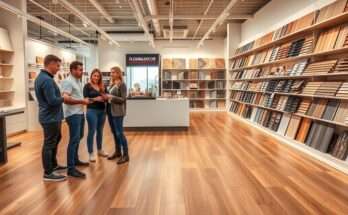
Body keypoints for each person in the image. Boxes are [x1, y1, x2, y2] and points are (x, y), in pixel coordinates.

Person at [34, 54, 66, 182]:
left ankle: (53, 165)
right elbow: (52, 101)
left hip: (51, 117)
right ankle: (48, 172)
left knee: (56, 139)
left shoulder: (42, 78)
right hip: (50, 117)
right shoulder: (46, 80)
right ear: (50, 64)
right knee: (49, 143)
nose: (58, 68)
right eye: (57, 65)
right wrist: (64, 98)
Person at [61, 61, 90, 179]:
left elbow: (77, 96)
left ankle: (75, 160)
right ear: (72, 70)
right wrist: (82, 101)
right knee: (74, 140)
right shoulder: (68, 81)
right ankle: (71, 168)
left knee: (79, 136)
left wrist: (83, 100)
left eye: (82, 70)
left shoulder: (78, 81)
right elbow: (65, 99)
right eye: (79, 70)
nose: (81, 72)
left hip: (79, 112)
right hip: (72, 115)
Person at [83, 69, 108, 162]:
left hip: (102, 111)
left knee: (100, 131)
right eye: (95, 75)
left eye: (98, 76)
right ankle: (90, 153)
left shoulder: (102, 86)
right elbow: (85, 99)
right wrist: (96, 99)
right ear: (91, 76)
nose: (96, 78)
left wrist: (105, 98)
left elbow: (106, 98)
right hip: (91, 111)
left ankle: (100, 150)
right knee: (91, 131)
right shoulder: (87, 86)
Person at [107, 66, 129, 164]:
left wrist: (111, 97)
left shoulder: (122, 84)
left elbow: (123, 99)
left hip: (118, 112)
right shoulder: (111, 84)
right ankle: (117, 152)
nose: (112, 74)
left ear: (119, 73)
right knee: (114, 133)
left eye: (114, 72)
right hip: (110, 111)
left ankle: (126, 155)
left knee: (120, 133)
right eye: (111, 72)